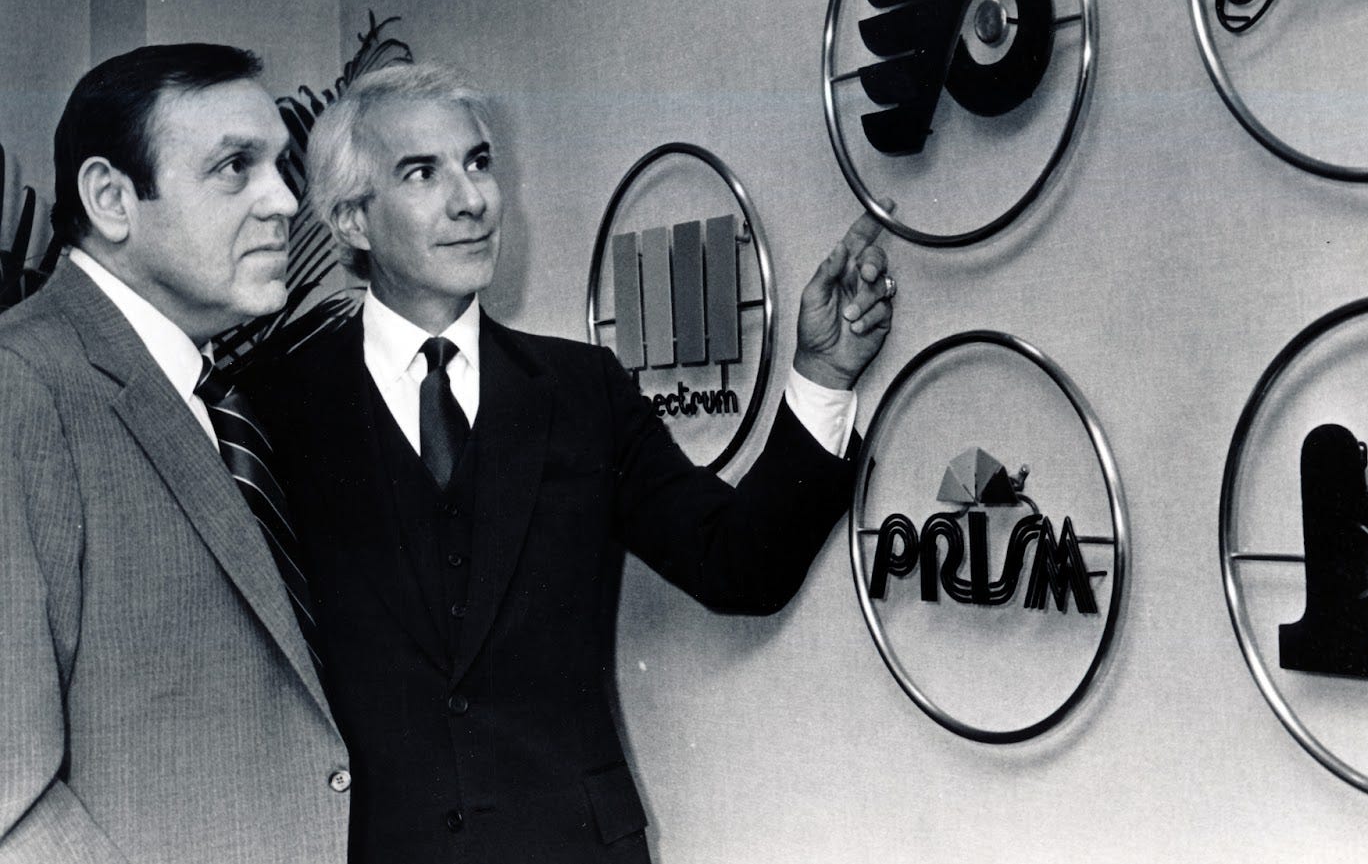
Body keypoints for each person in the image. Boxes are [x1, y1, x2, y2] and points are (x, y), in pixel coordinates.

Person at [244, 61, 895, 864]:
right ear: (352, 219)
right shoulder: (269, 412)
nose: (472, 199)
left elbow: (740, 565)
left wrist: (824, 373)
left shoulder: (582, 390)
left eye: (479, 162)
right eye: (422, 173)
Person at [0, 45, 349, 864]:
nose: (285, 200)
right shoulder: (23, 385)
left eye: (280, 166)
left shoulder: (209, 392)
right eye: (235, 166)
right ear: (110, 197)